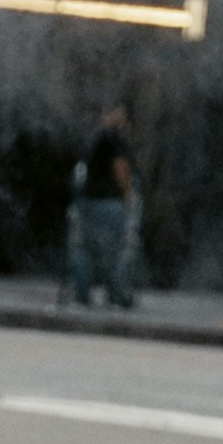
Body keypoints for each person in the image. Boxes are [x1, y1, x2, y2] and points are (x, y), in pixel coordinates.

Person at [74, 106, 140, 312]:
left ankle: (82, 295)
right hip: (110, 202)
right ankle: (118, 295)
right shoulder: (113, 138)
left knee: (86, 249)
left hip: (90, 201)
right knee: (118, 251)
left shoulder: (95, 139)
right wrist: (128, 195)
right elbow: (120, 167)